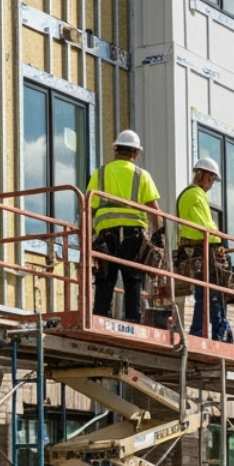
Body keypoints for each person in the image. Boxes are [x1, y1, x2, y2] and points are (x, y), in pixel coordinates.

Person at [87, 131, 160, 324]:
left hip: (106, 235)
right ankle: (133, 320)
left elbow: (87, 208)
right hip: (132, 236)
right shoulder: (141, 176)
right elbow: (155, 212)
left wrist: (85, 236)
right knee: (132, 279)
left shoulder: (100, 173)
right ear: (136, 153)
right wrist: (157, 239)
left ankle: (100, 317)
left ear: (116, 150)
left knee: (105, 279)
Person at [176, 156, 232, 342]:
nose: (211, 184)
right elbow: (205, 226)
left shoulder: (187, 194)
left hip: (194, 250)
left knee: (206, 293)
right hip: (201, 250)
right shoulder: (195, 195)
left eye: (213, 180)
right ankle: (213, 333)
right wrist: (221, 242)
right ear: (200, 175)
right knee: (211, 293)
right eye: (210, 179)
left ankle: (202, 331)